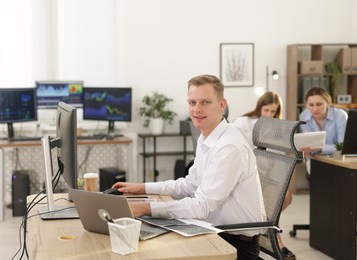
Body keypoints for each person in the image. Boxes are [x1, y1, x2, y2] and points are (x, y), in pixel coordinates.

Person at [113, 74, 264, 259]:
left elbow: (202, 205)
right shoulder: (206, 137)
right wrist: (143, 188)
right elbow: (189, 185)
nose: (197, 109)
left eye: (205, 102)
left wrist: (146, 208)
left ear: (221, 105)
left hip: (235, 244)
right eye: (192, 102)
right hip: (214, 231)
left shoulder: (229, 147)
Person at [233, 91, 296, 260]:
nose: (269, 114)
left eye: (273, 111)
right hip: (245, 176)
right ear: (259, 107)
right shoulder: (243, 122)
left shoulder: (276, 127)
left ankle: (264, 228)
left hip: (264, 174)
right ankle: (276, 240)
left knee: (286, 197)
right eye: (266, 110)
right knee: (270, 204)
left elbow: (276, 156)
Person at [299, 87, 348, 155]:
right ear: (306, 105)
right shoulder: (304, 117)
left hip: (338, 159)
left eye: (319, 104)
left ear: (328, 103)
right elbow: (310, 145)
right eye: (311, 105)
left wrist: (319, 148)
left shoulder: (340, 116)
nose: (315, 109)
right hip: (315, 158)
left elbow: (342, 146)